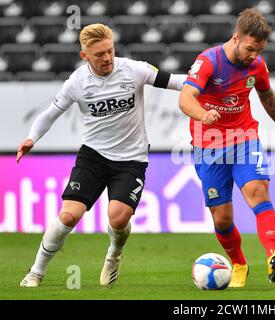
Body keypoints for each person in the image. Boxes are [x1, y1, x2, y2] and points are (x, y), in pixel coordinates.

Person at [17, 23, 186, 287]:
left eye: (110, 51)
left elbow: (178, 82)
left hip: (131, 159)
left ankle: (114, 253)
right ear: (85, 56)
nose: (107, 58)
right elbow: (50, 114)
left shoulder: (134, 69)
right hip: (94, 156)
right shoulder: (77, 82)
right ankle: (36, 271)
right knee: (68, 216)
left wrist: (212, 81)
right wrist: (31, 138)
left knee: (118, 218)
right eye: (99, 54)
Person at [179, 8, 275, 287]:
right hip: (208, 145)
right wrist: (202, 114)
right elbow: (185, 98)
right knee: (222, 218)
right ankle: (238, 263)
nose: (253, 56)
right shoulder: (208, 61)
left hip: (244, 138)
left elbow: (267, 96)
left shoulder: (257, 66)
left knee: (257, 191)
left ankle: (274, 255)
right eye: (250, 49)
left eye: (258, 51)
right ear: (235, 38)